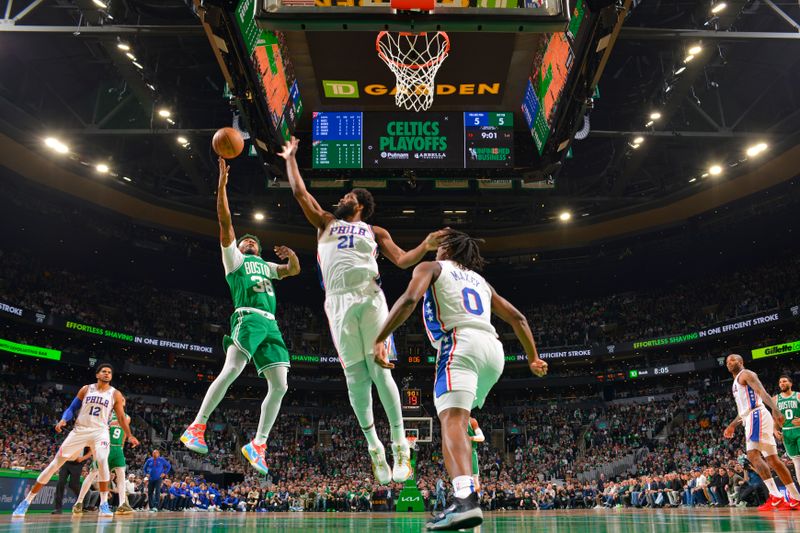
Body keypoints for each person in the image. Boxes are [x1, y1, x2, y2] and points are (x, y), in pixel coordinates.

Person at [279, 136, 445, 484]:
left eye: (348, 197)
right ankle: (374, 448)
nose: (341, 199)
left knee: (380, 370)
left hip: (370, 297)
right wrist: (290, 158)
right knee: (355, 379)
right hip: (337, 302)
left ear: (360, 205)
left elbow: (401, 260)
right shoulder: (325, 222)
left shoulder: (374, 230)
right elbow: (299, 194)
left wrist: (425, 246)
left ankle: (401, 446)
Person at [373, 229, 548, 530]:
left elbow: (409, 300)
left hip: (459, 343)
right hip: (494, 351)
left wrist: (381, 338)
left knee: (452, 420)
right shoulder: (482, 282)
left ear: (446, 250)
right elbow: (518, 318)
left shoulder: (431, 267)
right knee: (459, 420)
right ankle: (465, 494)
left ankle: (465, 499)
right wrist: (533, 357)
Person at [182, 157, 301, 475]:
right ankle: (197, 426)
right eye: (246, 239)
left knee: (281, 385)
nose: (249, 240)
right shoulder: (234, 258)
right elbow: (225, 224)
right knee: (232, 368)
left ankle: (258, 444)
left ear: (259, 249)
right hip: (247, 317)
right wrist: (221, 186)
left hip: (271, 326)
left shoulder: (267, 267)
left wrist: (293, 257)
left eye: (254, 240)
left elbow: (293, 271)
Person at [13, 363, 139, 518]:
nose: (107, 374)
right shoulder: (86, 389)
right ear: (97, 375)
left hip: (100, 431)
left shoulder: (115, 394)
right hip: (80, 430)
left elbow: (121, 417)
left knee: (101, 459)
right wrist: (63, 419)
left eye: (109, 372)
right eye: (104, 371)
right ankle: (26, 501)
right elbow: (72, 408)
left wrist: (130, 435)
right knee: (55, 464)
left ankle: (104, 504)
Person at [723, 354, 800, 510]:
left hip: (756, 415)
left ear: (741, 361)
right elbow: (743, 410)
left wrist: (776, 410)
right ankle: (796, 498)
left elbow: (762, 392)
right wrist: (732, 425)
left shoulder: (746, 374)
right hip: (752, 416)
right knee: (773, 460)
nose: (729, 363)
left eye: (733, 360)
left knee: (752, 455)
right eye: (727, 362)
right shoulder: (736, 381)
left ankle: (776, 496)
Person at [74, 411, 134, 515]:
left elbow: (124, 430)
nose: (122, 401)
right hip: (105, 445)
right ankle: (79, 502)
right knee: (93, 474)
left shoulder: (127, 416)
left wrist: (122, 446)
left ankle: (122, 504)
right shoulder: (105, 412)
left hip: (118, 448)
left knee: (121, 475)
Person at [774, 375, 800, 483]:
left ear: (791, 383)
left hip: (799, 429)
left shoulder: (798, 396)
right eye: (780, 382)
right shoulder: (775, 399)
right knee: (796, 462)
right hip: (786, 431)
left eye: (784, 381)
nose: (782, 383)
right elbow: (774, 417)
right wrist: (774, 430)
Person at [52, 449, 91, 514]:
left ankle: (81, 502)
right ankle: (58, 508)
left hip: (77, 464)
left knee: (73, 485)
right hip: (66, 462)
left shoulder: (87, 440)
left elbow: (90, 451)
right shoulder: (70, 438)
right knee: (60, 483)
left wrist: (82, 459)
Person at [467, 417, 484, 493]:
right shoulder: (454, 421)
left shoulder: (472, 421)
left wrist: (470, 438)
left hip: (470, 452)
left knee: (475, 479)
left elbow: (481, 437)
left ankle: (477, 499)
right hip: (459, 453)